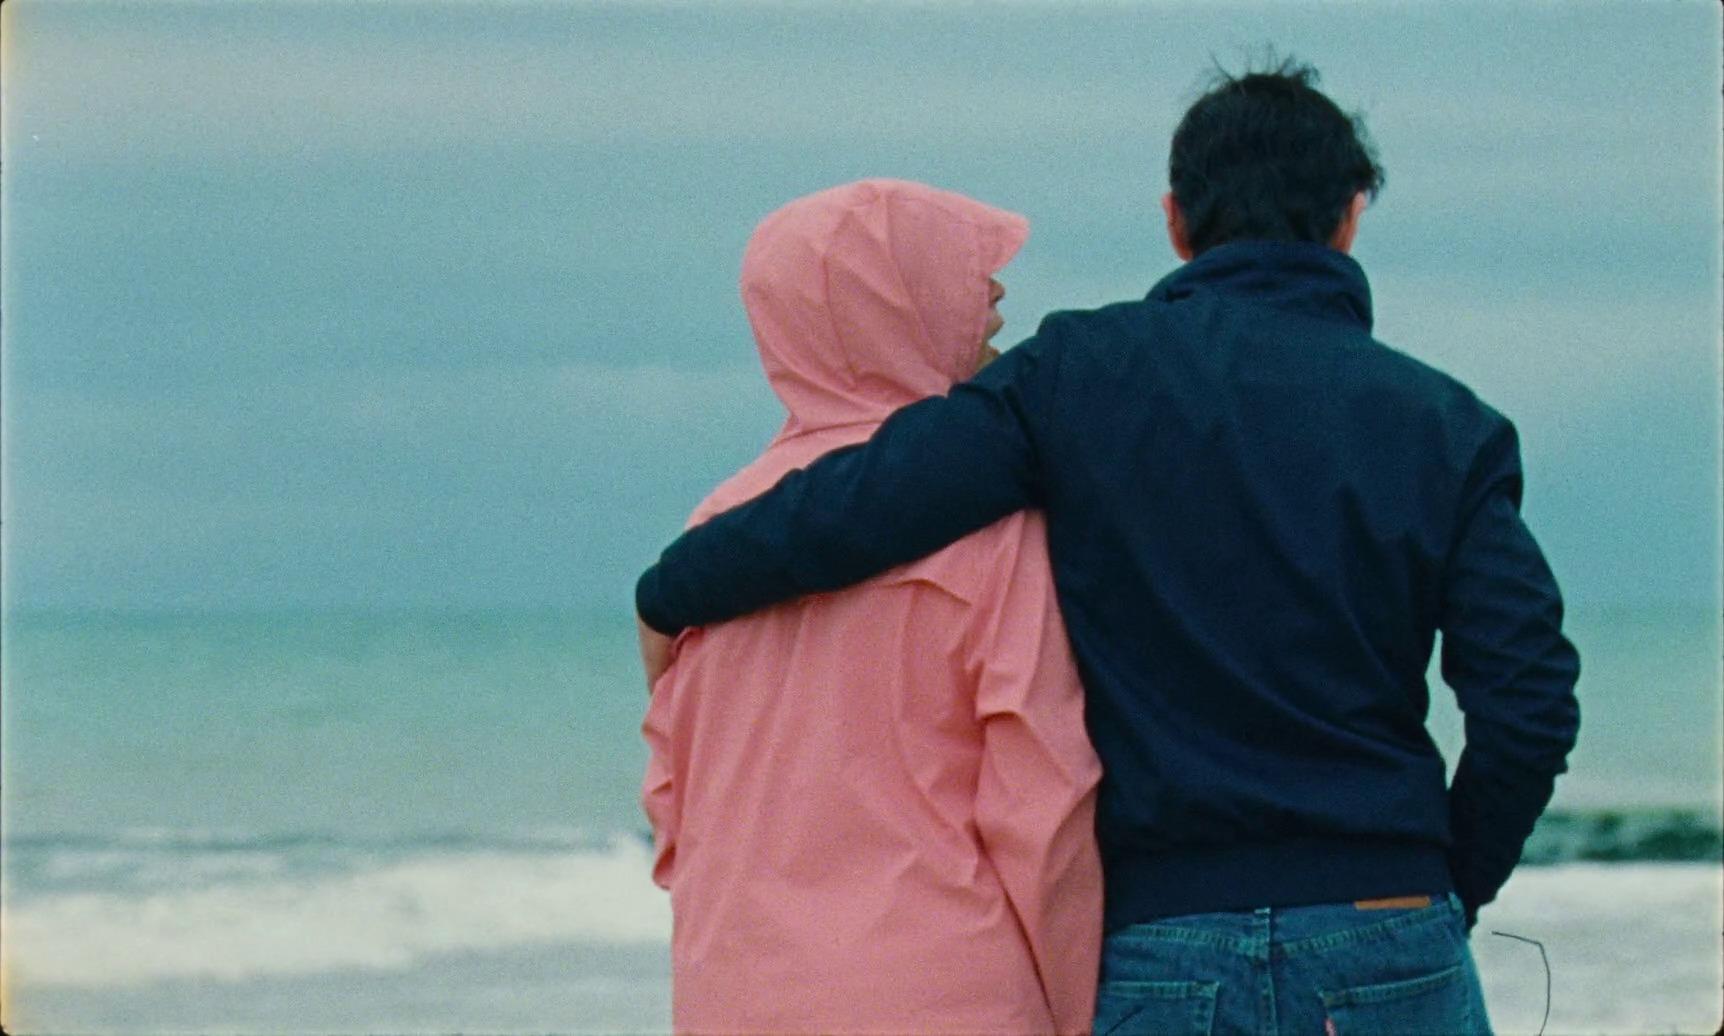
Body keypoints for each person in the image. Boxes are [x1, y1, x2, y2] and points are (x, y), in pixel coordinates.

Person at [637, 60, 1580, 1034]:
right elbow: (1530, 705)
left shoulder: (1074, 376)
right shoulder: (1447, 424)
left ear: (1175, 220)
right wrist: (1437, 886)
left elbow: (865, 501)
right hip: (1387, 918)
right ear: (1350, 215)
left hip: (1165, 940)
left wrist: (673, 588)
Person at [640, 179, 1103, 1034]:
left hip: (736, 994)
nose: (998, 295)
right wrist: (1079, 1011)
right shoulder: (992, 522)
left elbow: (675, 808)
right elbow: (1042, 805)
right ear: (900, 302)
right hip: (948, 995)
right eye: (963, 275)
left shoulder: (713, 530)